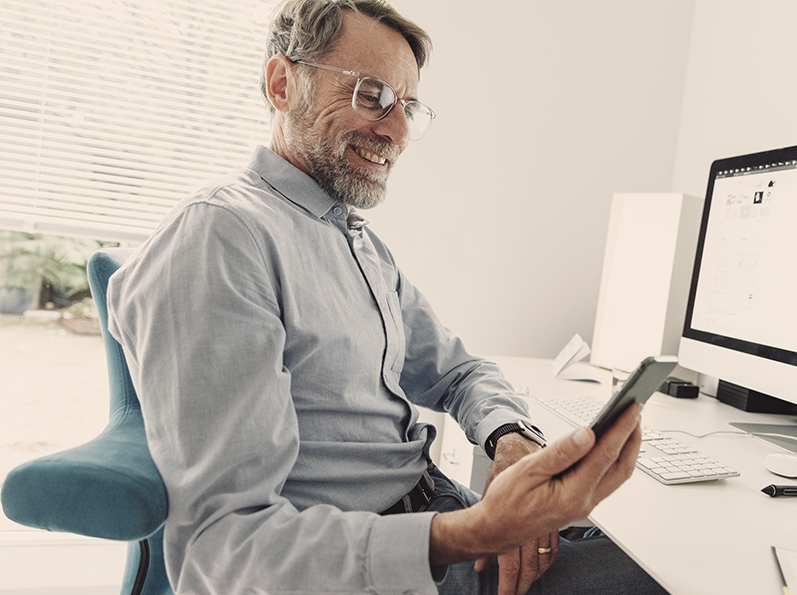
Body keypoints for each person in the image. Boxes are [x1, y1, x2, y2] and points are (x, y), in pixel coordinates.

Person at [106, 1, 668, 593]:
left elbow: (458, 371)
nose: (397, 131)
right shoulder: (220, 239)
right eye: (370, 95)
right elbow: (225, 549)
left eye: (408, 107)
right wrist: (476, 532)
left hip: (441, 520)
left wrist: (510, 439)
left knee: (661, 555)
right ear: (281, 83)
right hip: (382, 566)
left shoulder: (351, 239)